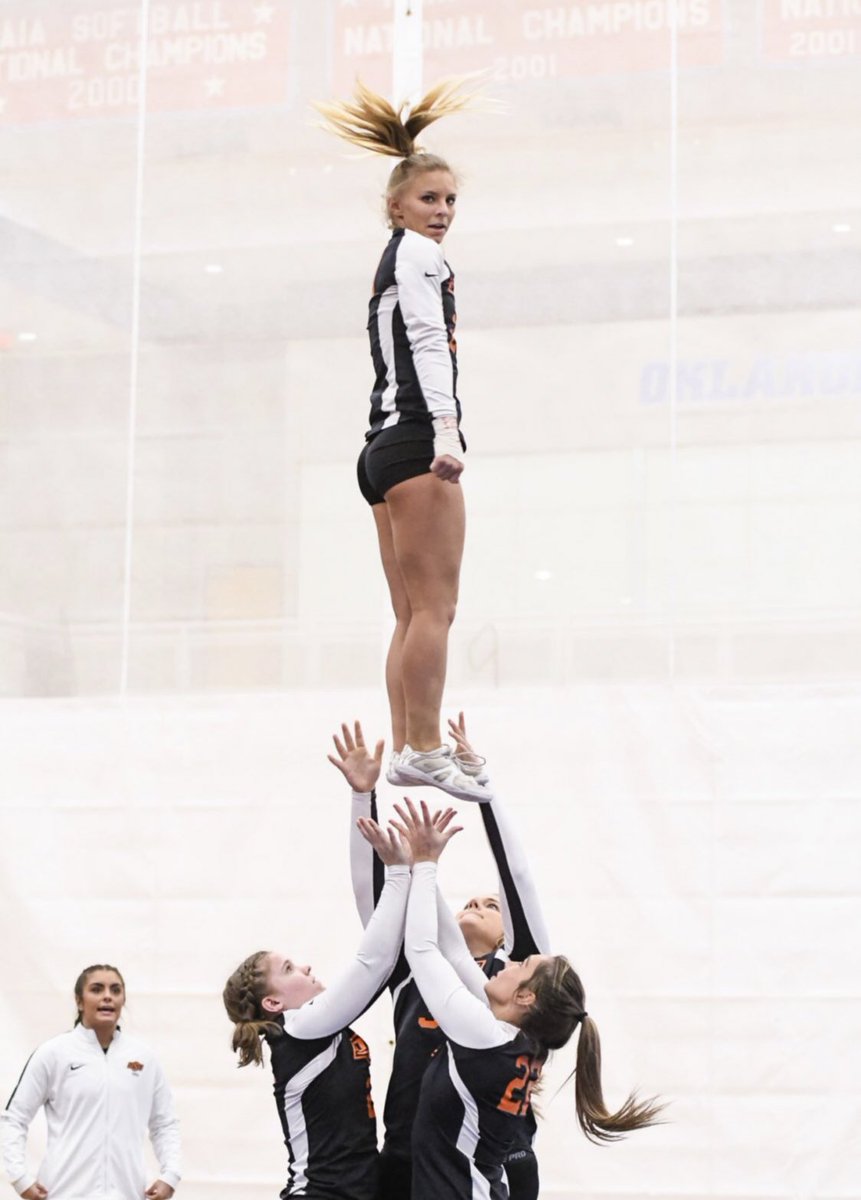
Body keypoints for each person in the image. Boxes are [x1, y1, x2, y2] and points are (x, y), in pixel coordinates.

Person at [317, 80, 487, 802]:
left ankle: (410, 749)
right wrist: (447, 432)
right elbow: (426, 342)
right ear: (395, 206)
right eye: (428, 199)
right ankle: (420, 744)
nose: (441, 212)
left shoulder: (395, 256)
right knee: (436, 610)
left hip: (380, 447)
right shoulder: (417, 257)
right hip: (415, 438)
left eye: (449, 200)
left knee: (410, 612)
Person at [384, 799, 664, 1200]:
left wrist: (425, 864)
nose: (509, 965)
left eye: (521, 964)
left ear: (525, 995)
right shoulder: (513, 1038)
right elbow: (457, 954)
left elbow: (425, 951)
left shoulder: (485, 1037)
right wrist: (419, 865)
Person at [328, 715, 550, 1200]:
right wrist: (362, 798)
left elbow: (517, 878)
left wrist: (484, 791)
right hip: (407, 1157)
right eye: (469, 900)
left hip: (491, 1163)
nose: (476, 903)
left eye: (491, 906)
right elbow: (379, 898)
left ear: (505, 941)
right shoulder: (419, 971)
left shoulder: (519, 980)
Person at [222, 753, 410, 1200]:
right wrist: (400, 872)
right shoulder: (299, 1027)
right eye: (288, 969)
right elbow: (375, 960)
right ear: (273, 1003)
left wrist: (363, 795)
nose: (305, 966)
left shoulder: (316, 1028)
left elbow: (368, 899)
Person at [1, 964, 181, 1200]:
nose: (107, 996)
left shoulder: (144, 1058)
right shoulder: (53, 1053)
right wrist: (19, 1178)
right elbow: (14, 1118)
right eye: (97, 989)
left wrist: (171, 1175)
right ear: (79, 1001)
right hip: (62, 1193)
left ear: (122, 1000)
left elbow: (164, 1124)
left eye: (115, 990)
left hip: (127, 1194)